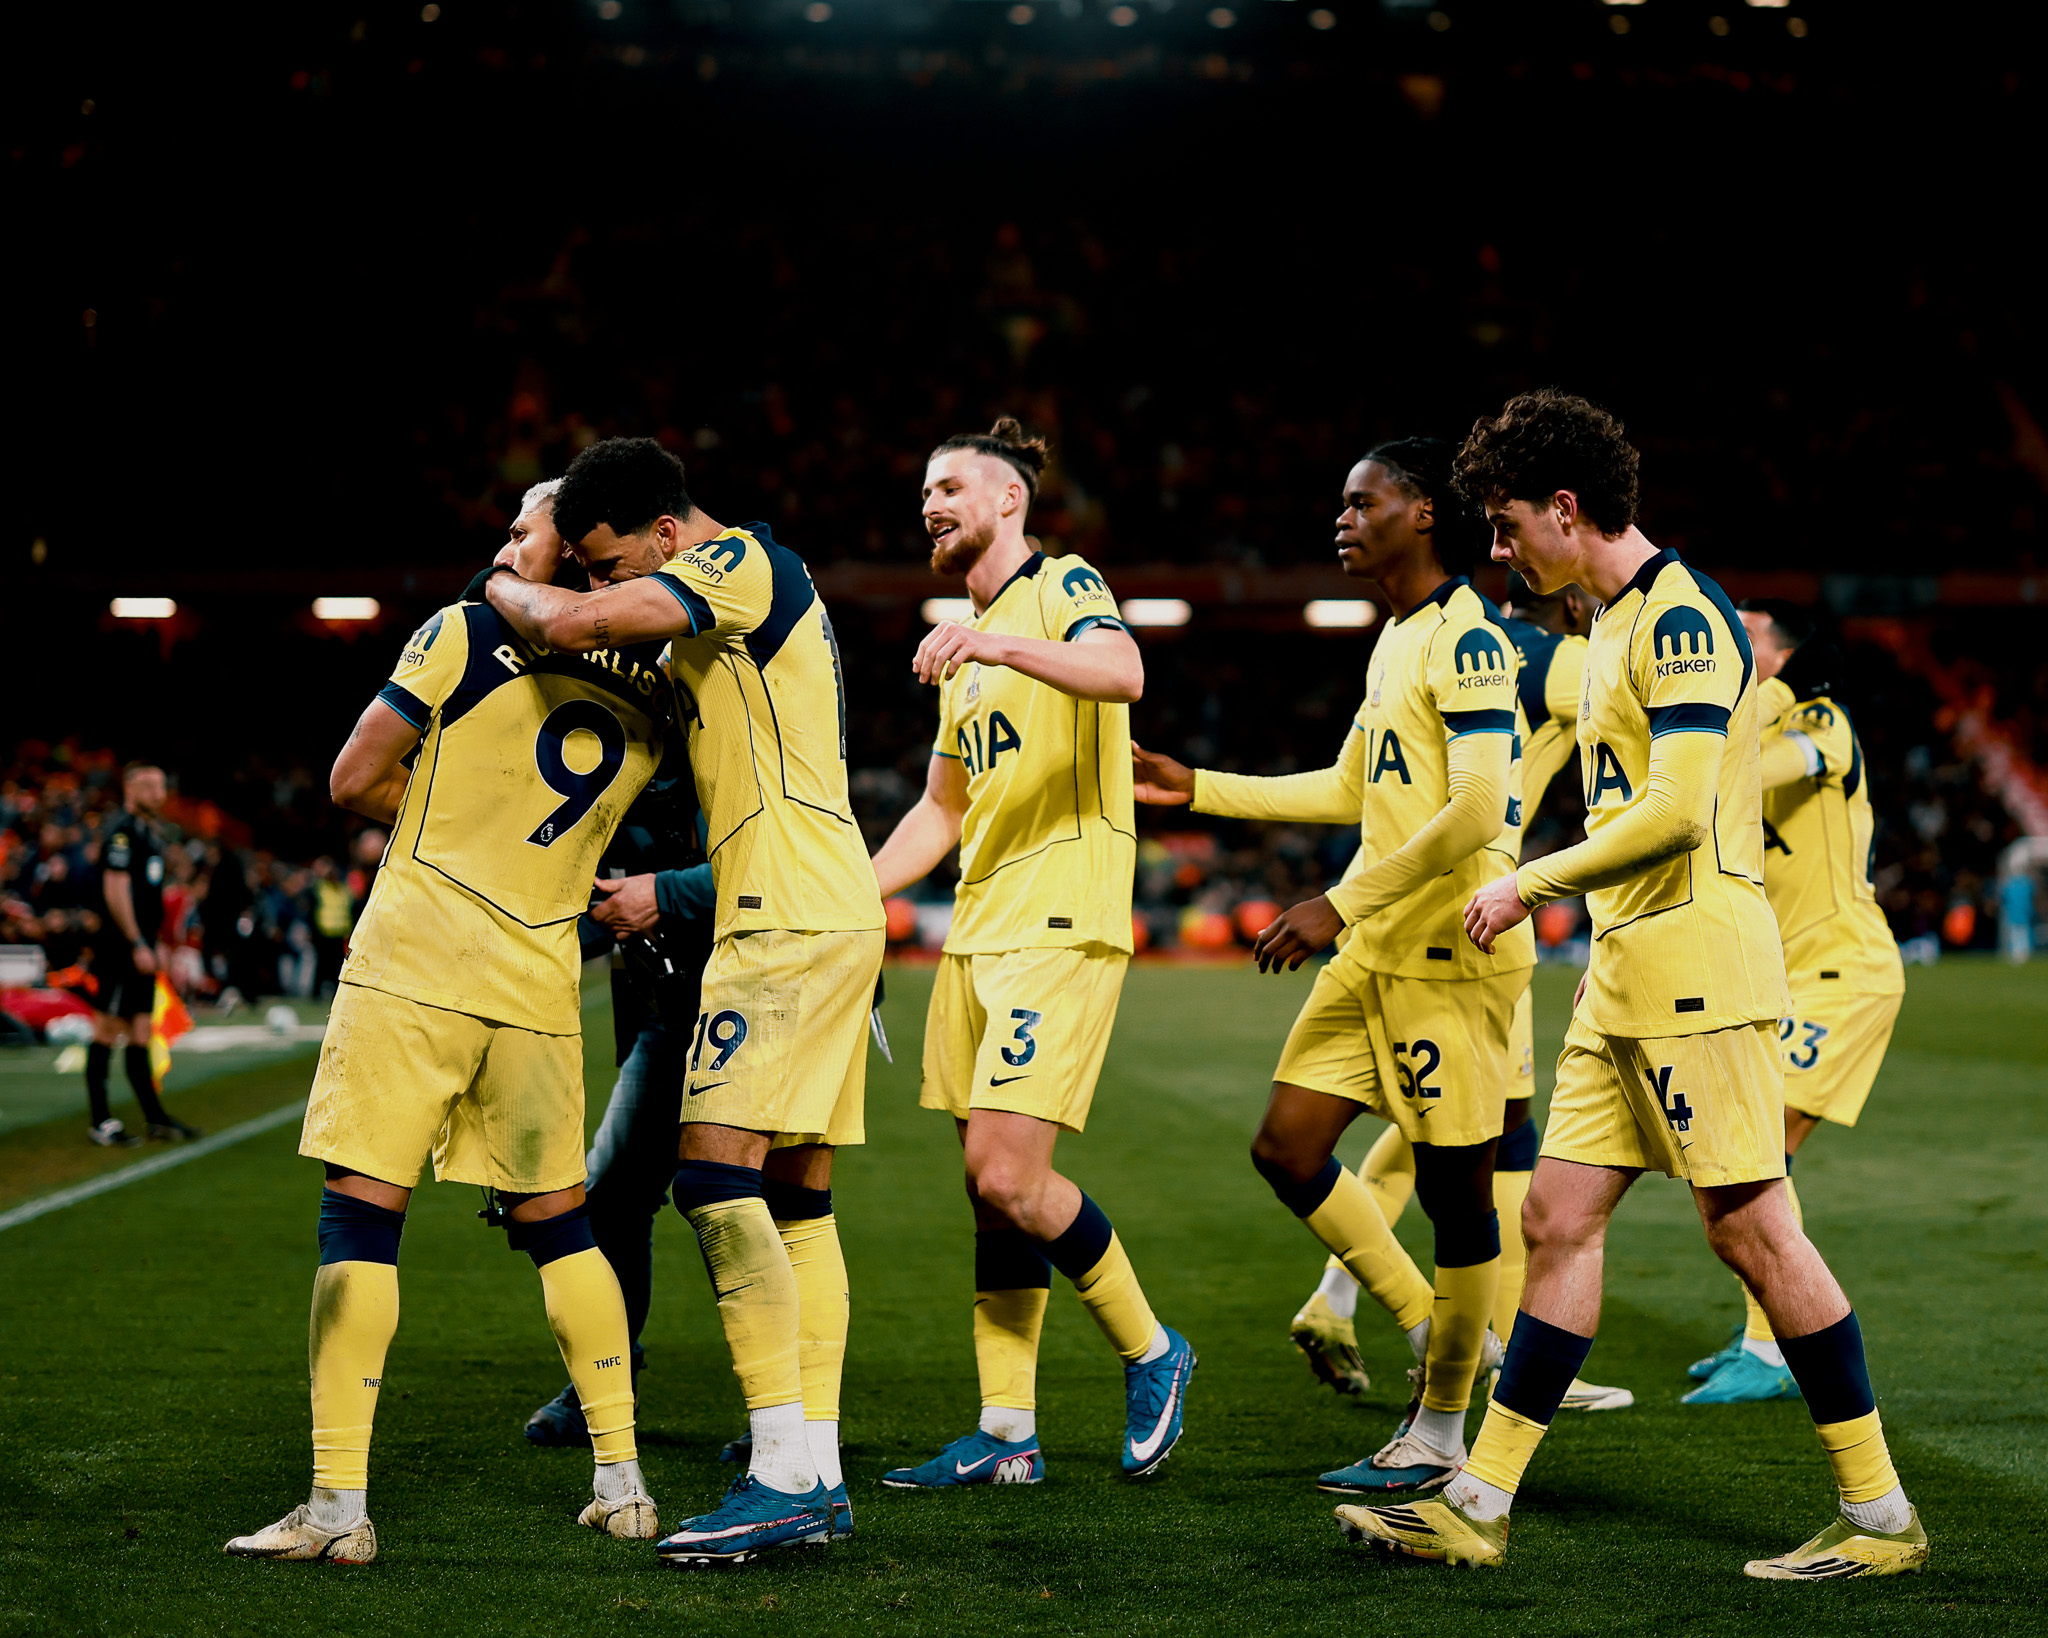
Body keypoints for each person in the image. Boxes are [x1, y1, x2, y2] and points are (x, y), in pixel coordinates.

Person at [1337, 388, 1926, 1580]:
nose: (1497, 550)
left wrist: (1527, 882)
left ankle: (1877, 1516)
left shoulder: (1682, 618)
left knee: (1750, 1230)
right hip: (1625, 971)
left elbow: (1674, 811)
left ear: (1565, 508)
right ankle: (1477, 1501)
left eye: (1506, 525)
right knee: (1553, 1220)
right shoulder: (1606, 624)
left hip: (1698, 964)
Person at [226, 480, 673, 1565]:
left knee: (359, 1220)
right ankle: (623, 1484)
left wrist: (444, 812)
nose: (502, 545)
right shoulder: (659, 692)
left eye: (522, 530)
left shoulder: (465, 630)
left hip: (419, 956)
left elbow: (352, 779)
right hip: (538, 983)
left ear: (567, 556)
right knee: (562, 1227)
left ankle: (337, 1507)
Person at [483, 438, 885, 1567]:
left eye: (611, 563)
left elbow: (572, 625)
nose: (602, 584)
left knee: (711, 1178)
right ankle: (815, 1468)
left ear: (667, 536)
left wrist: (506, 582)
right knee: (797, 1198)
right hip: (822, 909)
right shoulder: (719, 625)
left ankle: (780, 1479)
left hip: (781, 916)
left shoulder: (741, 563)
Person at [1133, 439, 1530, 1498]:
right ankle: (1430, 1329)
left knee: (1456, 1200)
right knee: (1287, 1146)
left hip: (1451, 956)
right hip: (1377, 949)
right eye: (1342, 504)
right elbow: (1352, 787)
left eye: (1363, 502)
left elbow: (1478, 811)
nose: (1342, 519)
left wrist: (1336, 903)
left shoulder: (1469, 638)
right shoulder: (1395, 637)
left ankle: (1441, 1432)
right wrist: (1198, 786)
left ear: (1424, 513)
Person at [868, 419, 1195, 1491]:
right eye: (924, 491)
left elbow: (1123, 670)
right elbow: (939, 809)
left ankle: (1153, 1350)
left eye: (950, 486)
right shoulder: (964, 649)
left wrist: (999, 643)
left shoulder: (1062, 587)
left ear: (1008, 500)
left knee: (1008, 1174)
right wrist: (850, 895)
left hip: (1060, 920)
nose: (930, 504)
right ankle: (1006, 1430)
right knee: (988, 1193)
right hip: (978, 930)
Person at [1287, 573, 1630, 1416]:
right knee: (1477, 1143)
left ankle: (1341, 1298)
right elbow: (1644, 726)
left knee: (1471, 1130)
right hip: (1473, 915)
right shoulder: (1564, 659)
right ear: (1576, 603)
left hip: (1419, 903)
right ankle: (1477, 1351)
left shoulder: (1455, 639)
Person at [1679, 601, 1907, 1404]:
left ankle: (1772, 1347)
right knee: (1741, 1148)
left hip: (1845, 971)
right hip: (1780, 977)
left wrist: (1768, 695)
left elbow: (1743, 772)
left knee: (1760, 1146)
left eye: (1746, 633)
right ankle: (1768, 1332)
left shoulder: (1821, 721)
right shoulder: (1748, 724)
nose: (1729, 642)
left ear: (1784, 655)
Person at [523, 770, 718, 1446]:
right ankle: (605, 1379)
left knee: (761, 1203)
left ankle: (792, 1413)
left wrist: (664, 894)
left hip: (767, 994)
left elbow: (788, 862)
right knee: (611, 1196)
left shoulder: (732, 733)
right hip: (669, 1007)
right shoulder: (604, 758)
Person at [84, 763, 199, 1146]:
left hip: (143, 948)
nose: (158, 793)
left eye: (161, 785)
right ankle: (100, 1121)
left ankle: (154, 1118)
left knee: (139, 1031)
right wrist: (136, 942)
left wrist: (156, 943)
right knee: (107, 1029)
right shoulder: (121, 832)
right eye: (149, 785)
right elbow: (115, 890)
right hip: (120, 948)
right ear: (130, 789)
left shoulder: (150, 833)